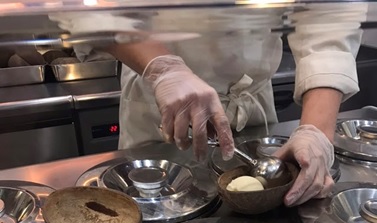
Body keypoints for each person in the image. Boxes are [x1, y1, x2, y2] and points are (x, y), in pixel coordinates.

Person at [51, 4, 367, 206]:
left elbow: (328, 16)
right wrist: (163, 68)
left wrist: (316, 131)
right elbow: (84, 7)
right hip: (158, 109)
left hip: (253, 109)